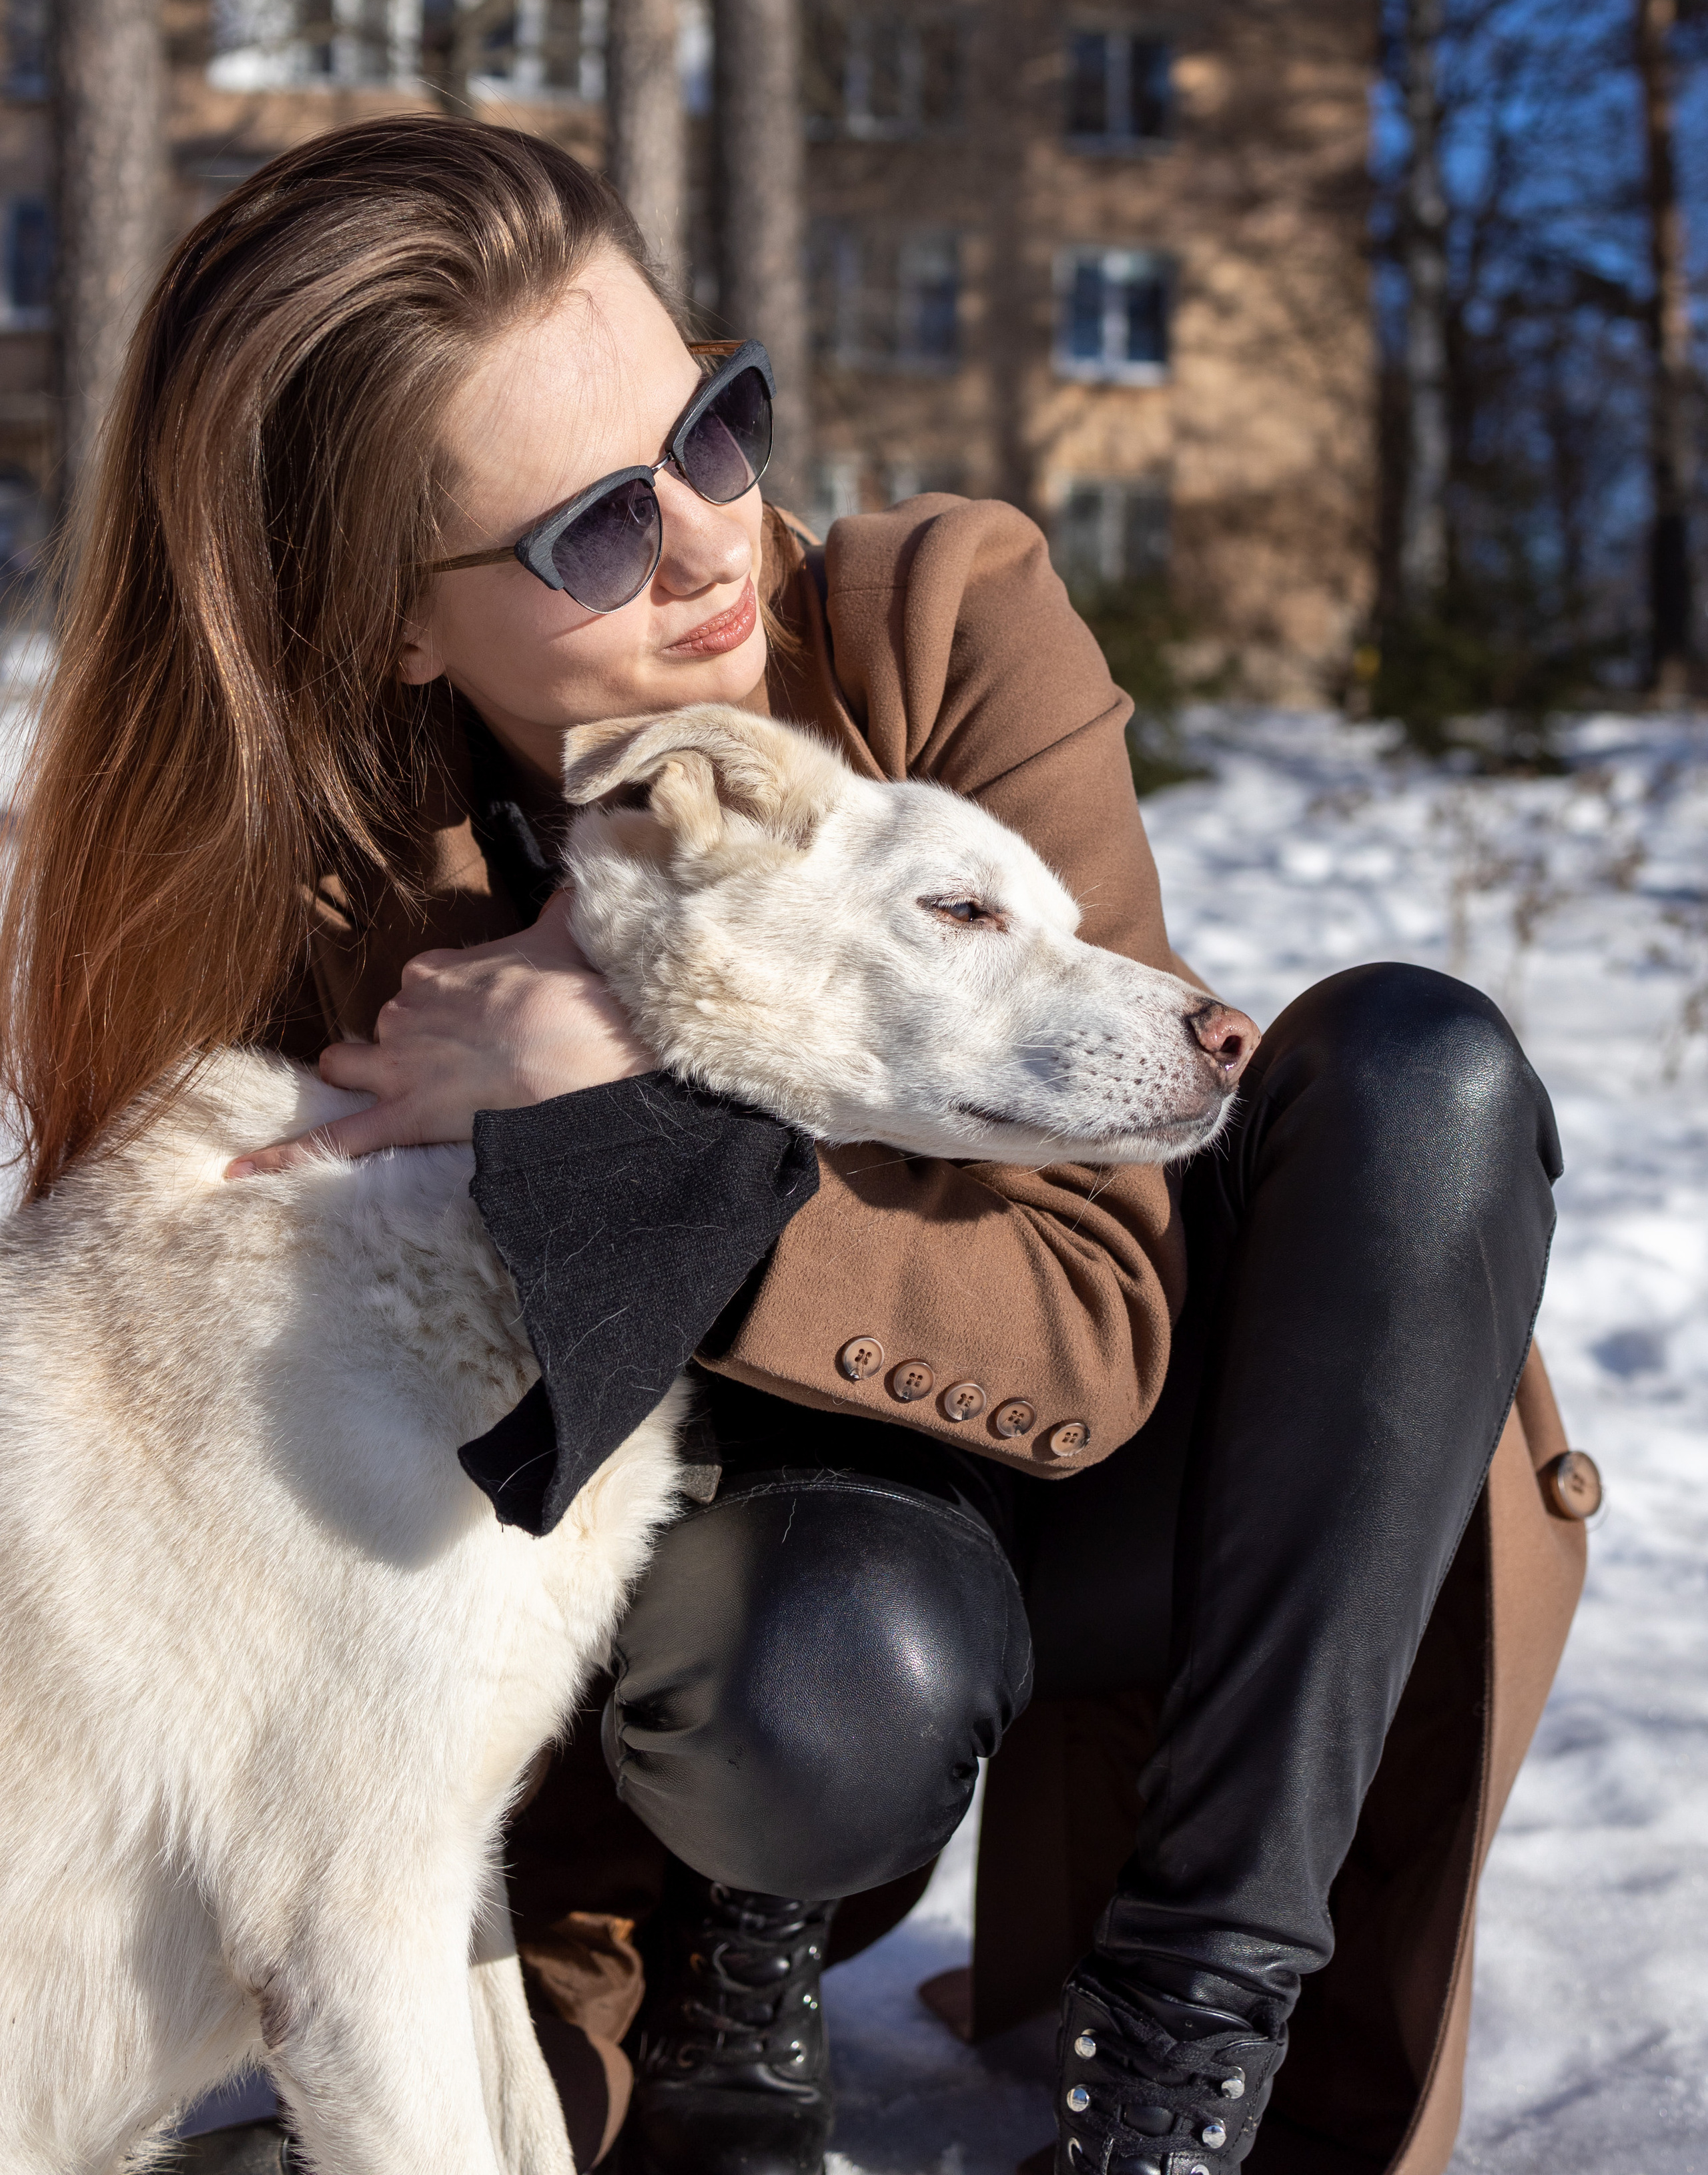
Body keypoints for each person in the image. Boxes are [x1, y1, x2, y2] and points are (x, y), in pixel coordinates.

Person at [0, 119, 1590, 2175]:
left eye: (717, 429)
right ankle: (719, 2023)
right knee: (816, 1642)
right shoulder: (307, 926)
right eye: (592, 532)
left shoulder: (940, 617)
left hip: (1101, 1486)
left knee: (1417, 1078)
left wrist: (629, 1118)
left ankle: (1195, 2047)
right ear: (392, 622)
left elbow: (1088, 1316)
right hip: (749, 1630)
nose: (710, 543)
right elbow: (336, 1622)